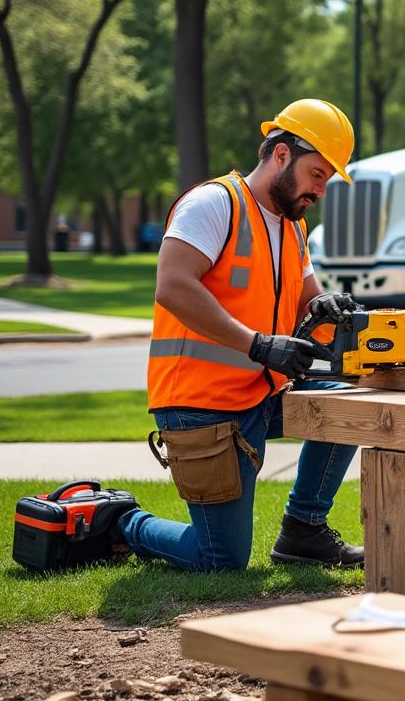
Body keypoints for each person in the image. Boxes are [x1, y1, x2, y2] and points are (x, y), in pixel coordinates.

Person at [118, 99, 365, 572]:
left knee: (348, 403)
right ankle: (125, 523)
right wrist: (257, 344)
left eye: (329, 179)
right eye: (318, 174)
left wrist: (326, 307)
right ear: (281, 155)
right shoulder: (213, 204)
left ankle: (304, 531)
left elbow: (306, 305)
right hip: (200, 405)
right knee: (222, 558)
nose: (322, 188)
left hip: (259, 395)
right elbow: (173, 286)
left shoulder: (292, 228)